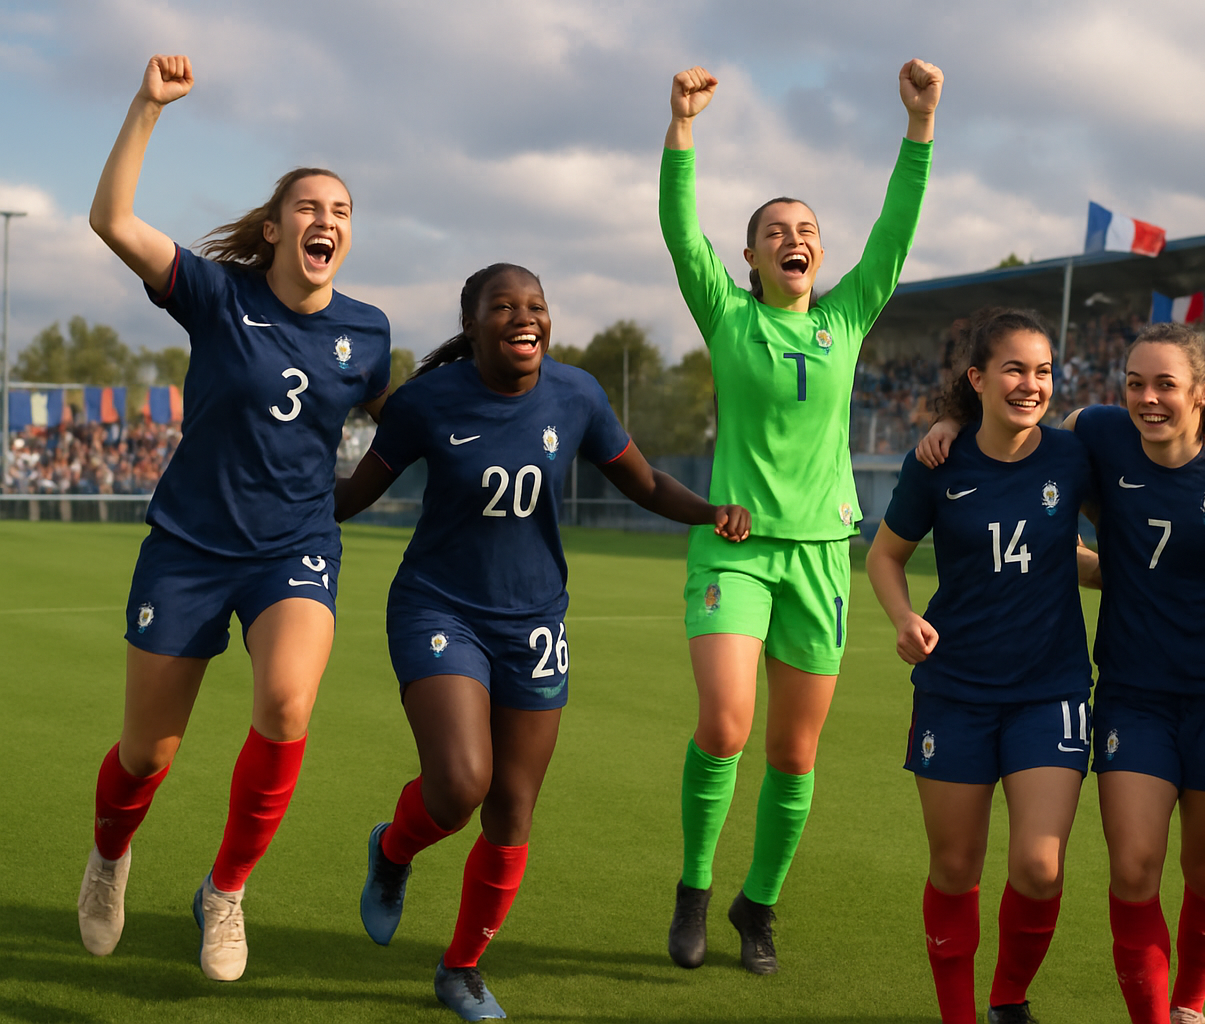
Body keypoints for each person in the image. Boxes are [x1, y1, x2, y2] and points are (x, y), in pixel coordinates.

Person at [336, 263, 750, 1021]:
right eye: (504, 306)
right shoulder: (428, 402)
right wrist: (264, 500)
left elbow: (647, 481)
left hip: (534, 625)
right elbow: (353, 494)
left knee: (512, 810)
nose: (525, 317)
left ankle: (460, 970)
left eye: (536, 305)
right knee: (461, 783)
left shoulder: (578, 394)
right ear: (472, 325)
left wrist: (708, 510)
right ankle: (393, 850)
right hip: (439, 610)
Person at [78, 54, 390, 982]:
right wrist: (146, 107)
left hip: (292, 549)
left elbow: (385, 419)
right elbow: (111, 223)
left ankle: (225, 894)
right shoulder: (218, 296)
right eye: (308, 207)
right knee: (145, 755)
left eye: (339, 211)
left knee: (288, 705)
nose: (325, 220)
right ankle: (109, 856)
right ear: (275, 225)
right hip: (187, 547)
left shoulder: (367, 333)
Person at [659, 59, 942, 974]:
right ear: (748, 258)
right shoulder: (729, 315)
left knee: (794, 751)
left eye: (808, 230)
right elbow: (678, 230)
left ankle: (758, 908)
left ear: (820, 253)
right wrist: (682, 129)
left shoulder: (848, 317)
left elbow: (894, 238)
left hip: (822, 556)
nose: (795, 238)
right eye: (776, 231)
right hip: (735, 551)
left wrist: (919, 125)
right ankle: (696, 887)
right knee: (728, 724)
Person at [919, 322, 1205, 1024]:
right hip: (1132, 695)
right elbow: (1016, 416)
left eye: (1166, 386)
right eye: (1135, 383)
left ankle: (1190, 1005)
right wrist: (951, 417)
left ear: (1203, 394)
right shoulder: (1099, 433)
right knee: (1134, 868)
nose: (1147, 399)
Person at [868, 310, 1093, 1024]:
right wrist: (904, 618)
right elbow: (885, 556)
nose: (1032, 384)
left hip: (1050, 690)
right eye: (1015, 369)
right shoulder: (938, 459)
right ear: (979, 378)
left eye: (1044, 371)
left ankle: (1009, 1000)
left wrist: (1127, 572)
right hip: (954, 690)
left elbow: (1079, 555)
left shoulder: (1073, 456)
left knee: (1039, 865)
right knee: (956, 868)